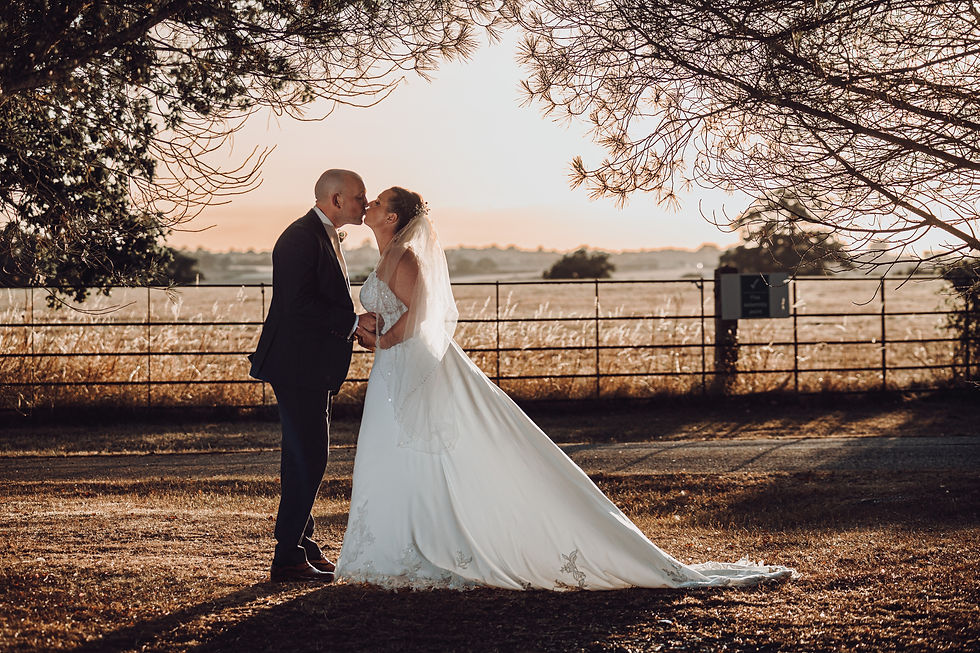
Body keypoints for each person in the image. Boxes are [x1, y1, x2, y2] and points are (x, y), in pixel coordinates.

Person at [336, 187, 796, 590]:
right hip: (393, 369)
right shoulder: (386, 254)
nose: (369, 203)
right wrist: (376, 330)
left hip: (408, 364)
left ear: (392, 217)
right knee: (393, 453)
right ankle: (399, 541)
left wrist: (376, 336)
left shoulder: (406, 257)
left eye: (376, 201)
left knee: (427, 448)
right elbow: (399, 315)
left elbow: (419, 322)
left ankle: (425, 544)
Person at [249, 169, 376, 583]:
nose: (365, 202)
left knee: (301, 456)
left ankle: (303, 545)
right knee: (311, 456)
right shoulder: (301, 237)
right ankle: (287, 557)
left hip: (308, 365)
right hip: (296, 364)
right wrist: (352, 324)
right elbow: (297, 305)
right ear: (336, 199)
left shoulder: (322, 234)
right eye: (359, 197)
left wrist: (351, 325)